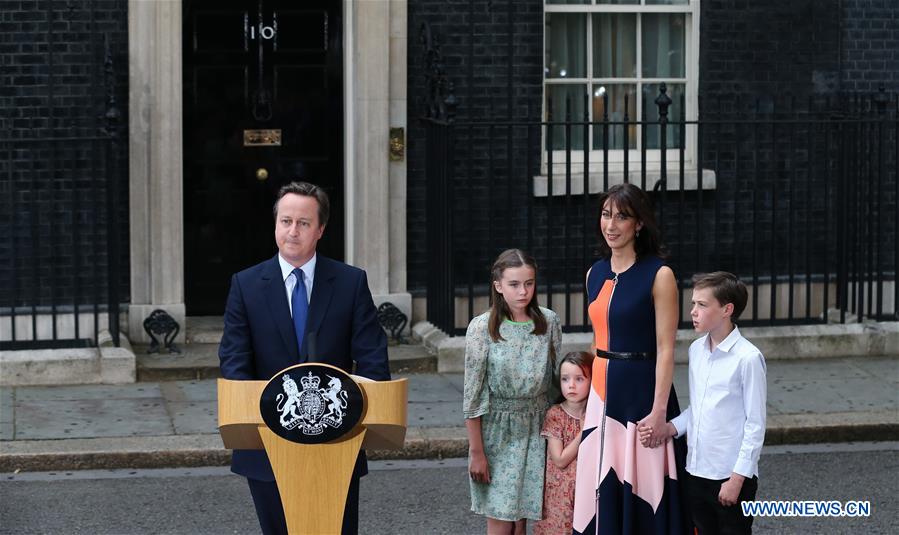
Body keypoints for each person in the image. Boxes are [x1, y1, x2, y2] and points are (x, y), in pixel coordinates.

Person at [218, 181, 390, 535]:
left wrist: (365, 404)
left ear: (320, 230)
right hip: (267, 446)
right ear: (275, 224)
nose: (292, 231)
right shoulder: (246, 285)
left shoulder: (349, 282)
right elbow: (234, 360)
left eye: (303, 223)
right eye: (285, 221)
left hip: (336, 445)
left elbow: (373, 358)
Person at [572, 183, 690, 534]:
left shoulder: (660, 274)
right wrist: (584, 401)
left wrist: (657, 412)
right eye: (606, 215)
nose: (611, 224)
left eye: (622, 217)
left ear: (639, 224)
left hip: (642, 392)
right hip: (601, 396)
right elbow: (596, 342)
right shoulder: (594, 273)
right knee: (600, 484)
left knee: (646, 488)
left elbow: (667, 348)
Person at [641, 272, 766, 535]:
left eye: (702, 304)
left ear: (726, 309)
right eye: (693, 304)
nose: (693, 311)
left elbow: (755, 425)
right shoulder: (696, 350)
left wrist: (736, 479)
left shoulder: (748, 358)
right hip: (696, 472)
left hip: (730, 476)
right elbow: (698, 409)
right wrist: (669, 428)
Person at [463, 248, 563, 535]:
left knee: (524, 520)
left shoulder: (549, 322)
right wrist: (476, 451)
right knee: (501, 516)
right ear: (498, 285)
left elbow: (556, 382)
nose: (523, 291)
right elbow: (473, 394)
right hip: (498, 431)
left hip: (539, 427)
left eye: (529, 283)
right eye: (514, 284)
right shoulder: (481, 328)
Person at [534, 351, 593, 535]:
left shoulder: (596, 413)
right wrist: (583, 432)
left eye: (579, 379)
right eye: (565, 379)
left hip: (586, 490)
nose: (571, 386)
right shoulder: (556, 414)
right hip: (560, 497)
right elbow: (559, 459)